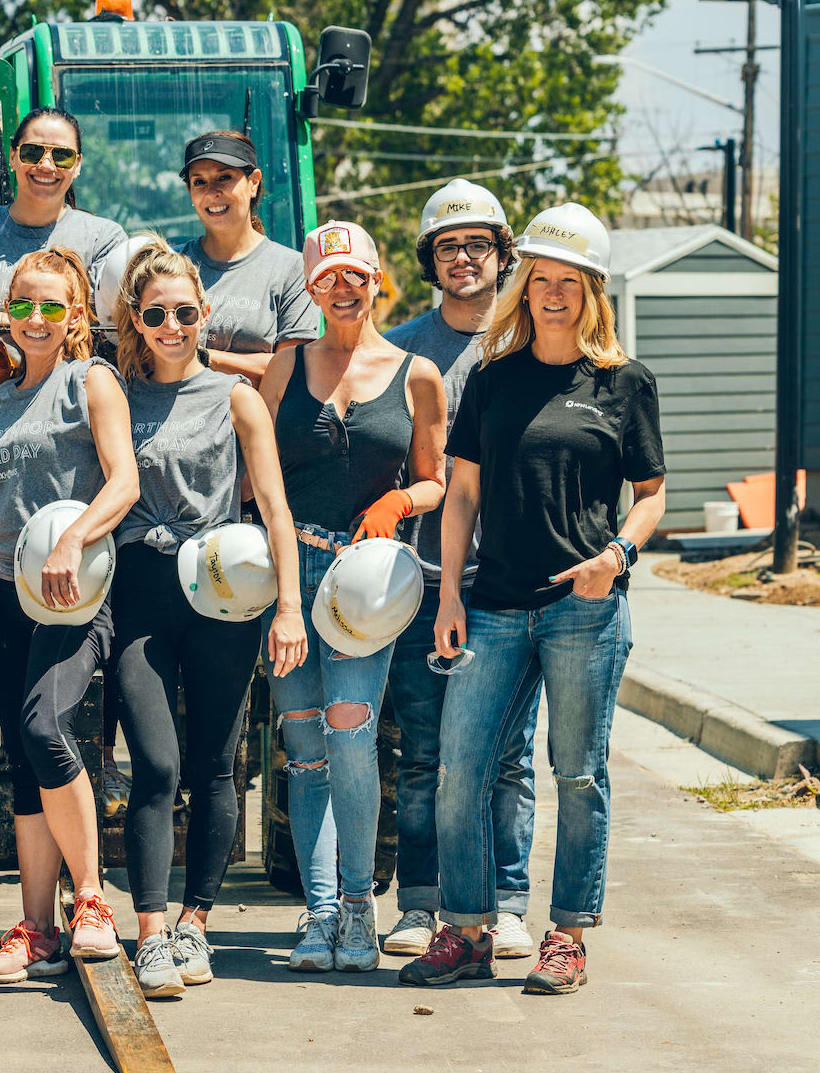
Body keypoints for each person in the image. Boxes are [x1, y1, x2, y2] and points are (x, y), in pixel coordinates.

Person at [401, 204, 665, 996]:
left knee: (577, 773)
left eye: (570, 282)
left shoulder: (624, 384)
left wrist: (615, 555)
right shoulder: (493, 377)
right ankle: (469, 931)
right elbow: (462, 495)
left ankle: (569, 935)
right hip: (495, 607)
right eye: (542, 279)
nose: (554, 294)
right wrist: (450, 593)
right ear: (525, 285)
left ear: (592, 291)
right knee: (460, 768)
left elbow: (651, 495)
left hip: (585, 609)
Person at [106, 240, 306, 997]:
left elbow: (275, 507)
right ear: (135, 317)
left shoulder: (236, 398)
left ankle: (196, 922)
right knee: (156, 765)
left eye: (184, 312)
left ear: (205, 314)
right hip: (143, 590)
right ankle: (149, 931)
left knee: (216, 767)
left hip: (223, 592)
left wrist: (288, 605)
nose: (170, 325)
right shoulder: (118, 393)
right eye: (154, 313)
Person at [258, 220, 447, 975]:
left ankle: (362, 908)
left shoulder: (417, 372)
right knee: (304, 749)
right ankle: (321, 911)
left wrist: (399, 505)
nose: (343, 287)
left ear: (379, 281)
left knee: (351, 736)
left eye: (356, 275)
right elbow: (261, 479)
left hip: (367, 584)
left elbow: (437, 477)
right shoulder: (285, 366)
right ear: (311, 286)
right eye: (328, 276)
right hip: (292, 574)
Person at [381, 180, 541, 960]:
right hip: (418, 579)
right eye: (449, 246)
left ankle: (508, 904)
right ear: (430, 261)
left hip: (507, 583)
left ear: (504, 254)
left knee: (507, 753)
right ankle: (420, 903)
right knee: (423, 749)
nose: (465, 258)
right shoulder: (405, 349)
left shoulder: (529, 344)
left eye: (479, 244)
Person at [0, 248, 138, 983]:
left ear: (75, 316)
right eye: (22, 305)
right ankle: (34, 926)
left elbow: (124, 480)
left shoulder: (91, 380)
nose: (35, 319)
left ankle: (93, 902)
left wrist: (74, 538)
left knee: (47, 726)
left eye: (50, 306)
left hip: (75, 591)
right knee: (22, 756)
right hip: (5, 594)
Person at [0, 107, 126, 350]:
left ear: (77, 165)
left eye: (62, 156)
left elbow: (110, 334)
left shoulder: (103, 240)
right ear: (13, 156)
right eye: (32, 152)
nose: (46, 165)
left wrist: (10, 322)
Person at [174, 132, 320, 384]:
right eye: (199, 182)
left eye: (224, 178)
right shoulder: (171, 263)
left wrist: (202, 357)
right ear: (189, 191)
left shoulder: (293, 269)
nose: (212, 192)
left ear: (253, 182)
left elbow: (291, 370)